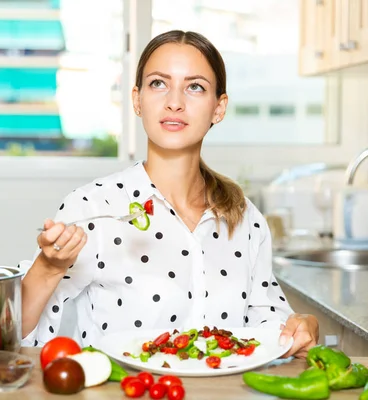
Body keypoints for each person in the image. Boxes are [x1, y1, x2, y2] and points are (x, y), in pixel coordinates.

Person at [20, 30, 319, 359]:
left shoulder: (245, 218)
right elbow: (12, 337)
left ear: (218, 108)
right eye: (158, 83)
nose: (174, 102)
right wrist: (47, 268)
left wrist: (300, 327)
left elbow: (268, 329)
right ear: (136, 99)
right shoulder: (93, 207)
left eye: (195, 87)